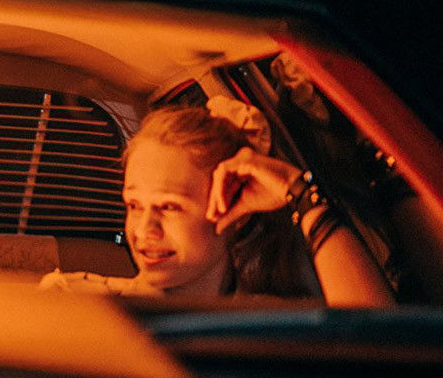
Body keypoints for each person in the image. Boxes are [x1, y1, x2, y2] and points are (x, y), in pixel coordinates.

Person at [40, 96, 393, 307]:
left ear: (235, 212)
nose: (144, 229)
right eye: (134, 205)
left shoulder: (268, 322)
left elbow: (375, 349)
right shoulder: (75, 299)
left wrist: (300, 194)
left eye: (169, 206)